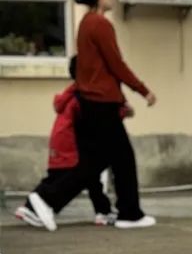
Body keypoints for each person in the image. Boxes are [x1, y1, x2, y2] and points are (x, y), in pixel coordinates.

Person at [21, 0, 157, 231]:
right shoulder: (99, 24)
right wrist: (143, 91)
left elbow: (100, 71)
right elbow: (116, 65)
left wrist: (121, 101)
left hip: (94, 102)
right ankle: (126, 212)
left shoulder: (86, 23)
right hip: (100, 104)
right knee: (116, 159)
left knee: (100, 160)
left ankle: (43, 201)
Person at [15, 55, 125, 229]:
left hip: (64, 140)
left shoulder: (75, 91)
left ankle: (102, 211)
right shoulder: (87, 94)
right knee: (78, 174)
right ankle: (37, 203)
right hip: (72, 142)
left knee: (86, 174)